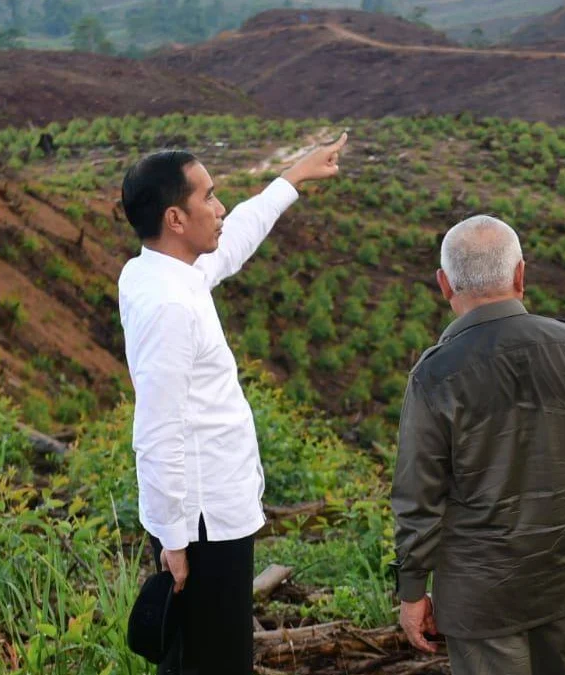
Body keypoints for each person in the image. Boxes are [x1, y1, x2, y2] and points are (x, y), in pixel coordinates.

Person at [117, 131, 347, 675]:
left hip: (207, 514)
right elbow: (157, 430)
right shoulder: (170, 306)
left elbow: (236, 237)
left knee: (200, 656)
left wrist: (293, 177)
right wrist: (174, 539)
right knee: (213, 661)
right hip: (201, 522)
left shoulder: (159, 270)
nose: (220, 208)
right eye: (210, 197)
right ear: (176, 218)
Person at [391, 215, 565, 675]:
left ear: (444, 284)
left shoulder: (434, 374)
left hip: (478, 596)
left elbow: (418, 496)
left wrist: (412, 590)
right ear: (520, 275)